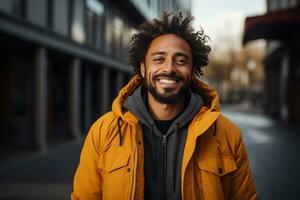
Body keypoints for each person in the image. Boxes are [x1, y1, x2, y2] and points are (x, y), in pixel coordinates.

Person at [71, 12, 257, 200]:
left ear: (192, 71)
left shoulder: (226, 134)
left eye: (181, 61)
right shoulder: (103, 132)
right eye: (159, 59)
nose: (169, 68)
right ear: (143, 68)